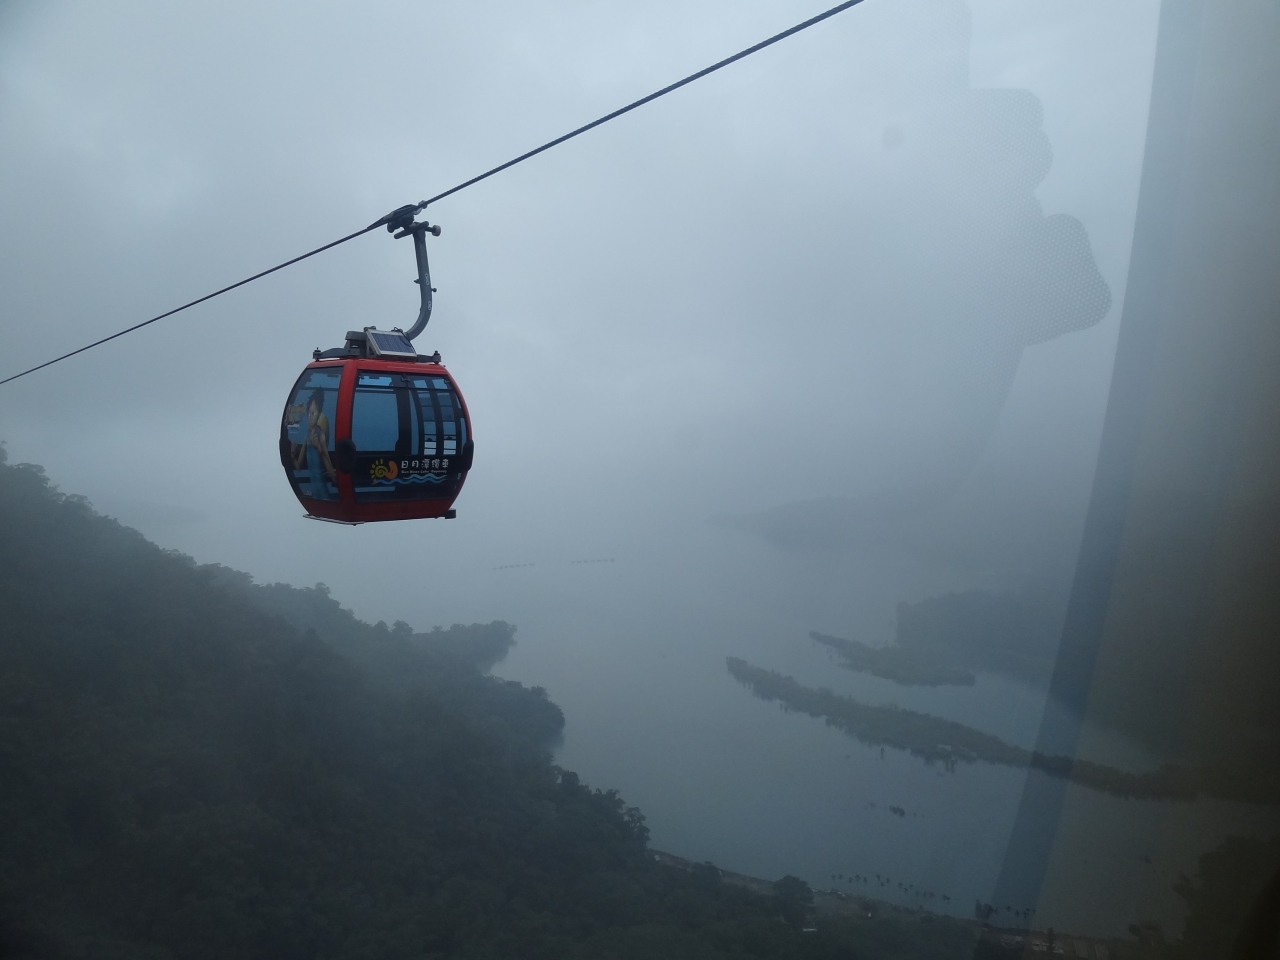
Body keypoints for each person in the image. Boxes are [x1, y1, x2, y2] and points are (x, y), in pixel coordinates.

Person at [289, 389, 338, 500]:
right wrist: (292, 455)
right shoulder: (306, 436)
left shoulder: (320, 435)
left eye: (314, 413)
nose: (311, 416)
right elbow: (298, 467)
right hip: (313, 494)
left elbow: (330, 468)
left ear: (319, 414)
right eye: (309, 413)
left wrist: (320, 450)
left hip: (322, 491)